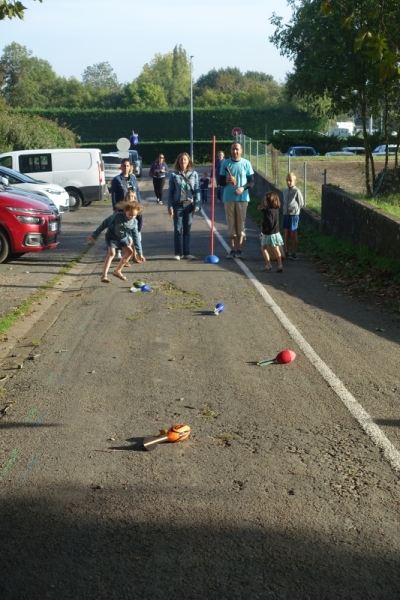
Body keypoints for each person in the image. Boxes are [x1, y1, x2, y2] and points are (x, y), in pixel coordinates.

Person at [87, 200, 145, 283]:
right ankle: (104, 276)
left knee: (130, 252)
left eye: (134, 215)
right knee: (112, 254)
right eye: (130, 214)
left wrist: (140, 253)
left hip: (122, 238)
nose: (132, 217)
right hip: (111, 236)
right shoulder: (117, 216)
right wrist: (94, 235)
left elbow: (136, 237)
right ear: (125, 210)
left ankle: (117, 271)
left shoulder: (134, 222)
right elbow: (104, 223)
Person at [219, 142, 254, 259]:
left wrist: (243, 188)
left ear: (241, 150)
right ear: (230, 150)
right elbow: (220, 181)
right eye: (233, 149)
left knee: (241, 223)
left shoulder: (246, 163)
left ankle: (239, 249)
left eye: (237, 149)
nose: (235, 151)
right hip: (229, 198)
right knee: (231, 223)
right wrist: (227, 180)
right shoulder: (225, 163)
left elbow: (251, 182)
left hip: (242, 199)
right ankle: (232, 250)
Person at [167, 152, 200, 260]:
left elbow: (197, 190)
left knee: (187, 229)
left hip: (189, 205)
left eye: (185, 159)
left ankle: (186, 253)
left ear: (188, 161)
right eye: (181, 160)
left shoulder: (194, 174)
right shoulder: (174, 175)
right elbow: (170, 192)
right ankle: (178, 253)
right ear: (178, 162)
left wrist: (197, 204)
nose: (183, 161)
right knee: (177, 229)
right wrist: (170, 207)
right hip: (178, 204)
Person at [111, 158, 142, 258]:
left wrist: (139, 206)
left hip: (133, 207)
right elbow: (114, 194)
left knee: (133, 228)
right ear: (121, 167)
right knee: (121, 230)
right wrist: (115, 207)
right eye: (124, 166)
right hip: (122, 207)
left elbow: (137, 193)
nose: (125, 168)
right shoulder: (117, 179)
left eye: (127, 166)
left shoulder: (133, 179)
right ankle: (119, 251)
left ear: (130, 167)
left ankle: (134, 252)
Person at [258, 192, 284, 273]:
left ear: (270, 201)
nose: (264, 201)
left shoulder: (268, 211)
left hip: (268, 233)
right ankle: (280, 265)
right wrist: (263, 210)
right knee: (276, 249)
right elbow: (269, 213)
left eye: (266, 200)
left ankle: (268, 264)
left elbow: (269, 220)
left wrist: (263, 226)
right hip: (276, 233)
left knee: (263, 248)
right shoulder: (275, 209)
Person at [282, 172, 304, 260]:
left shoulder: (297, 191)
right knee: (287, 233)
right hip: (286, 215)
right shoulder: (285, 191)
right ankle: (287, 251)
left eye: (290, 180)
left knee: (293, 234)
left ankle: (294, 253)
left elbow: (301, 203)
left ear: (295, 181)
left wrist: (295, 210)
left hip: (293, 215)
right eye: (287, 180)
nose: (288, 182)